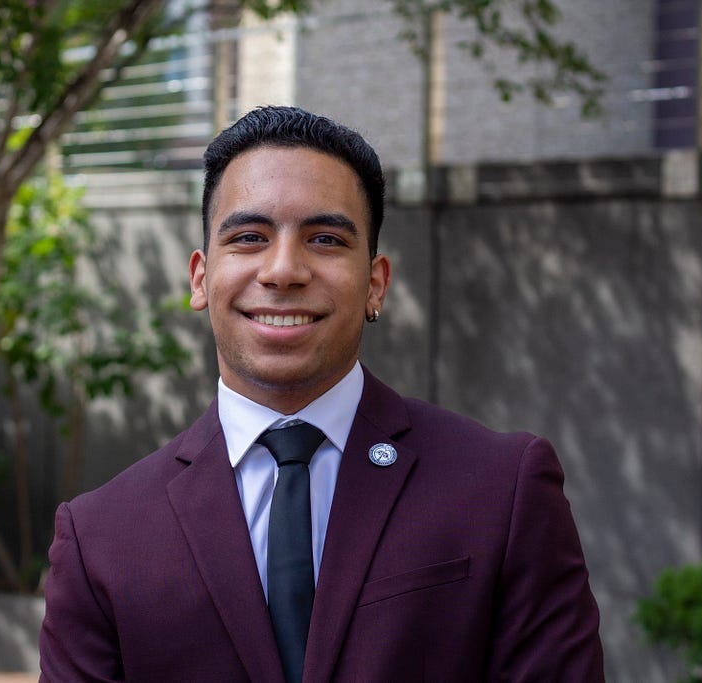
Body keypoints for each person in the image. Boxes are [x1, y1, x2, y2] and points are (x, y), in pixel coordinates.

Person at [38, 106, 604, 682]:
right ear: (201, 278)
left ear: (375, 282)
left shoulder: (502, 489)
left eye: (326, 238)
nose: (283, 270)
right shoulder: (101, 538)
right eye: (250, 237)